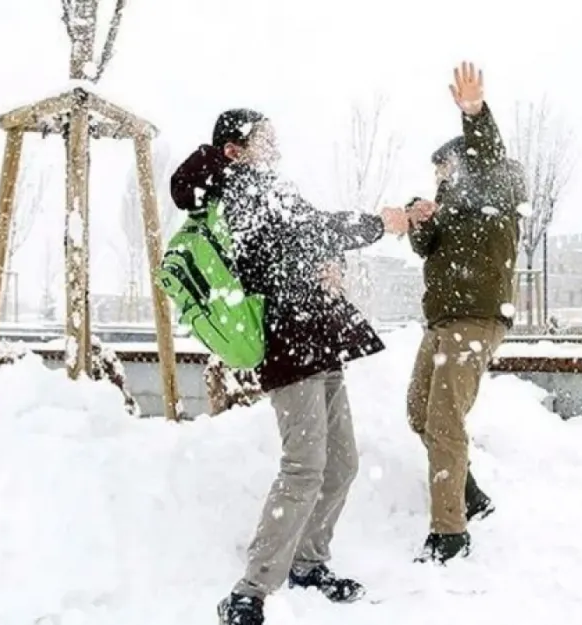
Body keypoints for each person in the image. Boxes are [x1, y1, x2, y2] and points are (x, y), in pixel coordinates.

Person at [169, 108, 412, 625]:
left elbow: (308, 240)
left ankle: (308, 563)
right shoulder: (237, 188)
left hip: (318, 336)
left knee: (342, 463)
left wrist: (333, 266)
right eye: (264, 138)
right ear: (236, 148)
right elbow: (308, 230)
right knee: (303, 466)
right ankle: (249, 591)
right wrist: (378, 224)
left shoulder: (269, 187)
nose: (275, 145)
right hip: (288, 340)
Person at [403, 62, 527, 564]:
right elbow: (424, 247)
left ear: (464, 162)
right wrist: (418, 217)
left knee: (445, 420)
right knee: (419, 412)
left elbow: (489, 154)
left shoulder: (497, 186)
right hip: (443, 323)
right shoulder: (450, 209)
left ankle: (450, 534)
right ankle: (469, 493)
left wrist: (474, 112)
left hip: (476, 320)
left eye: (444, 170)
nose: (440, 179)